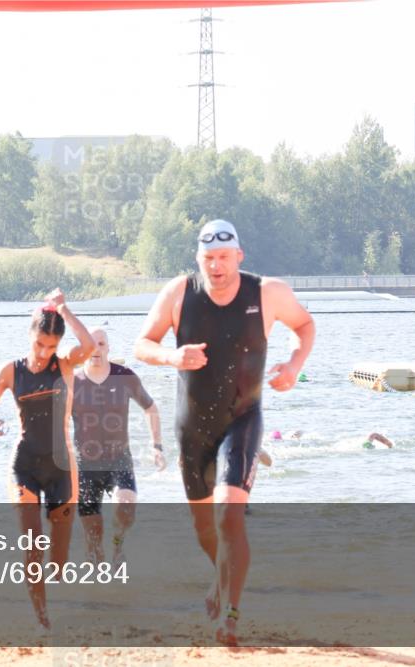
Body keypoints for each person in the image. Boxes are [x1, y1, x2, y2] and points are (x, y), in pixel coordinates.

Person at [134, 218, 315, 646]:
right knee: (204, 529)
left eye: (223, 258)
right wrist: (172, 356)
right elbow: (142, 344)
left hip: (243, 418)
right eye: (208, 259)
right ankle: (221, 578)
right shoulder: (179, 293)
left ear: (239, 256)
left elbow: (305, 326)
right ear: (198, 259)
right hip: (193, 427)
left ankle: (230, 615)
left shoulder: (267, 292)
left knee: (228, 514)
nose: (216, 266)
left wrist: (293, 366)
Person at [0, 288, 95, 630]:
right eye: (40, 344)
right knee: (32, 543)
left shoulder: (65, 363)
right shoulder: (11, 371)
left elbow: (88, 347)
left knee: (58, 563)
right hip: (24, 465)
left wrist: (65, 310)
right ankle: (42, 619)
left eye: (51, 346)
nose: (44, 352)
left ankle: (54, 593)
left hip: (60, 467)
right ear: (30, 335)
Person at [72, 327, 164, 566]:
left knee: (125, 508)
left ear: (108, 348)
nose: (96, 349)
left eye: (101, 344)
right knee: (92, 541)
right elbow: (58, 422)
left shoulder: (125, 377)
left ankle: (117, 544)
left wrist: (157, 446)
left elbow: (150, 408)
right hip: (85, 466)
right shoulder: (72, 382)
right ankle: (95, 564)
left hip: (119, 459)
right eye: (91, 344)